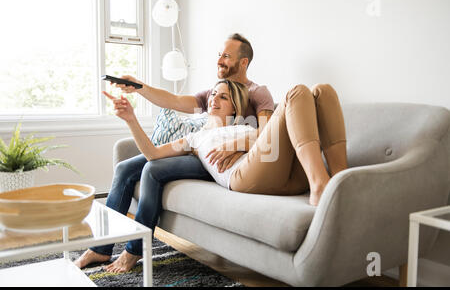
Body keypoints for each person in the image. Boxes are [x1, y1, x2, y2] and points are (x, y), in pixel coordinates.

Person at [75, 79, 347, 273]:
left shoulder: (245, 125)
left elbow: (270, 138)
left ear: (236, 108)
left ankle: (340, 180)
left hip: (284, 172)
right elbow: (153, 155)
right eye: (213, 95)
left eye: (223, 96)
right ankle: (320, 184)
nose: (214, 99)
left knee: (322, 91)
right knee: (297, 91)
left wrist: (239, 142)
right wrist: (131, 119)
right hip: (245, 176)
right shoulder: (196, 137)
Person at [74, 33, 274, 271]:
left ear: (243, 62)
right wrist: (138, 87)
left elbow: (267, 134)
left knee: (153, 169)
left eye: (226, 56)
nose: (220, 60)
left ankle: (134, 251)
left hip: (217, 159)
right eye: (219, 55)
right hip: (197, 145)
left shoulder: (258, 93)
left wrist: (235, 146)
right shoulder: (214, 92)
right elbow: (175, 100)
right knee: (125, 168)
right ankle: (100, 249)